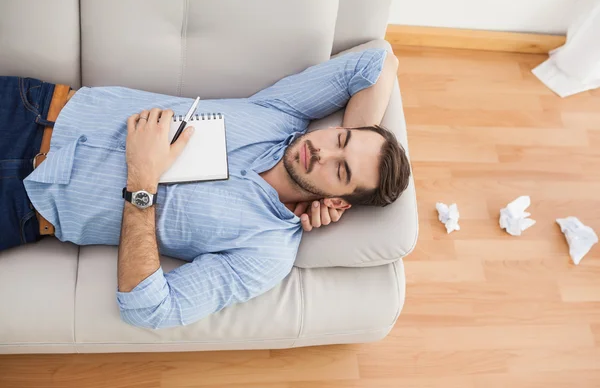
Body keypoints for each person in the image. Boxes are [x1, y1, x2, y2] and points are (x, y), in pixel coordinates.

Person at [0, 48, 411, 329]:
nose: (321, 154)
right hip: (32, 109)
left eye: (340, 172)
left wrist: (142, 182)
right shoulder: (282, 115)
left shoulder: (266, 253)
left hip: (21, 202)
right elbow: (378, 61)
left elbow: (151, 309)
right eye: (339, 141)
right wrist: (358, 137)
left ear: (339, 200)